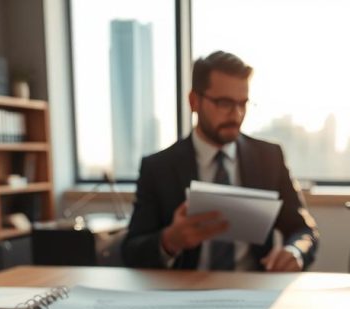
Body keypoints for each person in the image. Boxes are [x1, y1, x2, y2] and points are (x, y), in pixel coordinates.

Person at [122, 51, 319, 272]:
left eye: (243, 104)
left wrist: (295, 252)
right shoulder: (158, 168)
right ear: (194, 101)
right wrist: (169, 241)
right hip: (184, 291)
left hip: (253, 290)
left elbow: (304, 230)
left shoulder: (269, 158)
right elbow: (130, 251)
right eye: (224, 103)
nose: (236, 114)